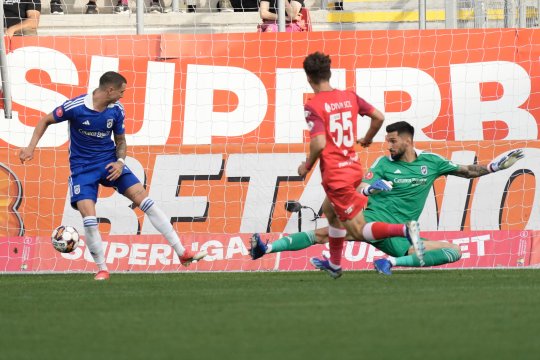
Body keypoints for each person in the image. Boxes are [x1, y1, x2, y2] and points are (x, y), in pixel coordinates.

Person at [250, 121, 525, 276]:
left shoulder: (432, 162)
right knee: (324, 229)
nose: (388, 145)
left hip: (396, 237)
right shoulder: (382, 164)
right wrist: (371, 189)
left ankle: (391, 262)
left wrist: (492, 168)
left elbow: (466, 171)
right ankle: (268, 248)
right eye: (387, 141)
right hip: (370, 222)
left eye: (393, 141)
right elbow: (360, 190)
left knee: (454, 251)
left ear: (407, 141)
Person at [19, 71, 207, 280]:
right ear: (109, 90)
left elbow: (121, 141)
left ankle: (182, 253)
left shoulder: (116, 110)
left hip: (110, 164)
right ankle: (102, 268)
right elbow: (45, 120)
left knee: (146, 201)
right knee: (90, 219)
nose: (122, 96)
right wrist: (30, 148)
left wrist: (120, 162)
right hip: (82, 169)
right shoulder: (76, 107)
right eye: (121, 91)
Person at [292, 52, 424, 279]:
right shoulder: (349, 97)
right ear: (329, 73)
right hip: (353, 168)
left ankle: (403, 229)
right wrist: (368, 138)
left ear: (308, 78)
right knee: (331, 214)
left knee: (357, 230)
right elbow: (379, 117)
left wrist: (307, 165)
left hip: (336, 175)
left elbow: (319, 142)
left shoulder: (313, 105)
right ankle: (334, 264)